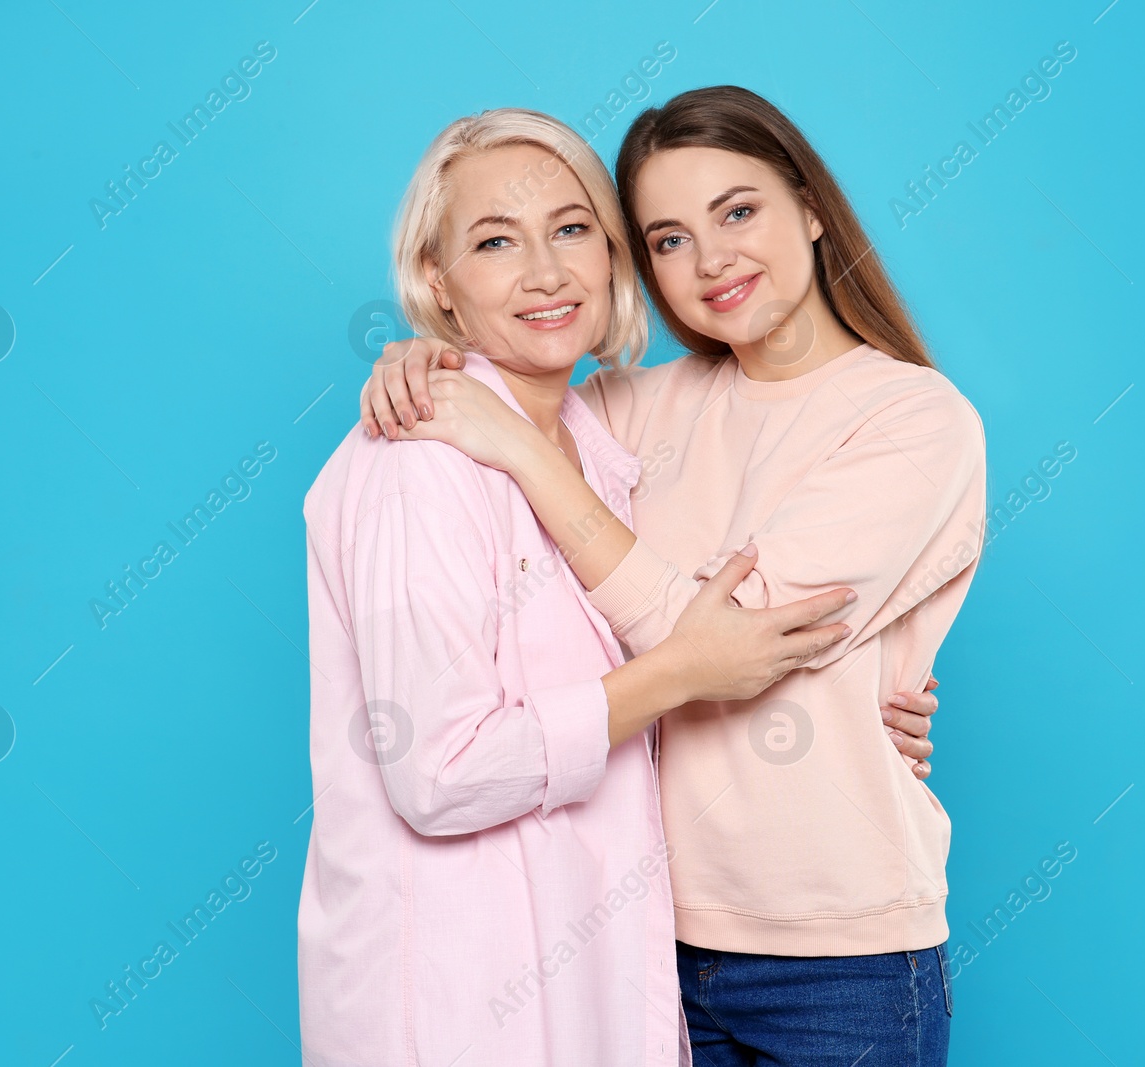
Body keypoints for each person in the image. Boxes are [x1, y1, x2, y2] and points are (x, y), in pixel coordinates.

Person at [360, 85, 985, 1065]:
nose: (712, 259)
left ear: (811, 207)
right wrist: (423, 357)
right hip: (646, 936)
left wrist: (531, 460)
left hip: (838, 951)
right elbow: (511, 388)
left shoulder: (914, 418)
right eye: (667, 238)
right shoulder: (628, 405)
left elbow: (728, 640)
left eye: (737, 211)